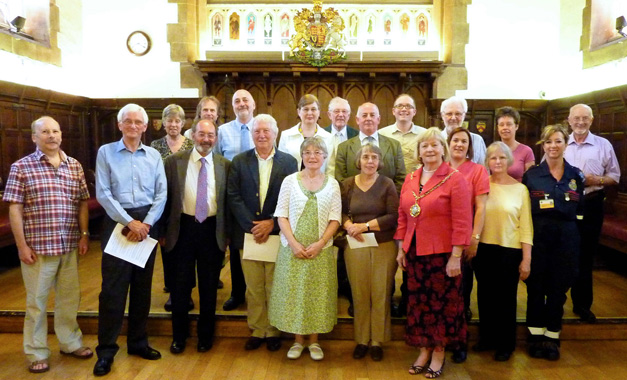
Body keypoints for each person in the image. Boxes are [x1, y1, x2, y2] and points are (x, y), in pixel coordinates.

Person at [3, 116, 93, 374]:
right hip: (37, 248)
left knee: (68, 299)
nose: (51, 136)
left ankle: (70, 342)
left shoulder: (73, 166)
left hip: (68, 245)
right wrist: (21, 246)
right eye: (45, 132)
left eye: (55, 131)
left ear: (61, 135)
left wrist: (84, 234)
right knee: (36, 303)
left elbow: (82, 203)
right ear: (34, 137)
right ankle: (36, 351)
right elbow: (15, 209)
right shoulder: (22, 167)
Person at [93, 104, 167, 376]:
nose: (133, 125)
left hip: (147, 224)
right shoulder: (106, 153)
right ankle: (107, 350)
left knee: (141, 288)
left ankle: (138, 342)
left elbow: (162, 193)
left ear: (146, 127)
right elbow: (103, 192)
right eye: (128, 121)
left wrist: (146, 223)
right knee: (112, 290)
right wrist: (129, 222)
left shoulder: (154, 156)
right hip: (117, 223)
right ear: (120, 124)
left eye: (138, 122)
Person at [395, 127, 472, 378]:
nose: (429, 149)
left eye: (435, 145)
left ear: (443, 149)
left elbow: (463, 221)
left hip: (442, 254)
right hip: (416, 253)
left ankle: (439, 352)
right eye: (425, 145)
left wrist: (456, 256)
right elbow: (403, 216)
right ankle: (424, 349)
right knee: (419, 304)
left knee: (441, 306)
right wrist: (401, 248)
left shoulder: (454, 178)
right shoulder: (410, 178)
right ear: (419, 151)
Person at [228, 114, 298, 351]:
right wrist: (252, 225)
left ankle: (274, 329)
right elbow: (233, 196)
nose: (261, 135)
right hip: (248, 235)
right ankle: (258, 329)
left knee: (274, 284)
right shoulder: (239, 161)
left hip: (277, 234)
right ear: (251, 134)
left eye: (266, 131)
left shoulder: (289, 163)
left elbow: (291, 199)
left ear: (275, 133)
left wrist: (272, 223)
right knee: (254, 286)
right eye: (257, 131)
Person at [269, 136, 341, 361]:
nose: (312, 156)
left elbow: (335, 219)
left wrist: (320, 244)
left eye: (317, 152)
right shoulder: (290, 181)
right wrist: (293, 244)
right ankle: (298, 340)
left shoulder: (333, 183)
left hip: (320, 250)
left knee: (317, 294)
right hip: (293, 249)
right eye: (308, 152)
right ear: (302, 156)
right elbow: (281, 215)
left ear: (325, 157)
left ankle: (314, 341)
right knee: (295, 293)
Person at [162, 119, 229, 355]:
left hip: (212, 231)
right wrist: (161, 232)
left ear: (216, 138)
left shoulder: (224, 165)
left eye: (211, 135)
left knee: (209, 288)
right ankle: (179, 337)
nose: (206, 139)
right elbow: (164, 198)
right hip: (182, 229)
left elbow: (227, 204)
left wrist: (228, 235)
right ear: (192, 135)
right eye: (202, 134)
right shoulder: (173, 162)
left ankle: (205, 336)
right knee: (180, 288)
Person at [523, 124, 584, 361]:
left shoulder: (575, 175)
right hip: (539, 236)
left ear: (565, 144)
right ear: (543, 145)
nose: (553, 146)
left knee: (559, 289)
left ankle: (552, 336)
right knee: (536, 287)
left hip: (567, 238)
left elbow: (580, 210)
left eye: (558, 141)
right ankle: (535, 336)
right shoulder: (532, 175)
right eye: (548, 142)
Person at [473, 142, 533, 361]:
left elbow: (526, 226)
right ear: (487, 162)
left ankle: (506, 343)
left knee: (506, 299)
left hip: (509, 250)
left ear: (509, 161)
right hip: (484, 249)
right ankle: (486, 338)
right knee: (485, 296)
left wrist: (526, 259)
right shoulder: (481, 185)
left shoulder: (520, 189)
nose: (497, 162)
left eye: (501, 158)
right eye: (492, 158)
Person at [341, 144, 399, 362]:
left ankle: (377, 340)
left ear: (379, 162)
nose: (370, 161)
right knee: (360, 292)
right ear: (359, 160)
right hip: (355, 245)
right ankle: (362, 339)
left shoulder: (387, 184)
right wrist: (348, 226)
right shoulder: (347, 184)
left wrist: (363, 226)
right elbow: (340, 212)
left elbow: (393, 216)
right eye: (366, 156)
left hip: (383, 245)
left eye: (374, 157)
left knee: (380, 292)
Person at [564, 104, 620, 323]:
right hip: (567, 205)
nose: (580, 122)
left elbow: (614, 176)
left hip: (592, 203)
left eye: (585, 118)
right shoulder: (560, 144)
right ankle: (557, 303)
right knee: (564, 254)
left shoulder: (603, 145)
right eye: (576, 118)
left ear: (592, 120)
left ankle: (582, 305)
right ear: (569, 120)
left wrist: (596, 180)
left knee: (586, 256)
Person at [446, 127, 490, 363]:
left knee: (461, 293)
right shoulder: (438, 169)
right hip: (440, 239)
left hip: (465, 240)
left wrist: (475, 237)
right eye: (455, 140)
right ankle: (440, 338)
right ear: (448, 143)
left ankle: (459, 341)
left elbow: (481, 207)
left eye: (464, 141)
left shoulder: (477, 171)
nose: (459, 144)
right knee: (441, 292)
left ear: (469, 146)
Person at [151, 104, 194, 311]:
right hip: (164, 205)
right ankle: (172, 290)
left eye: (177, 121)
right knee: (168, 249)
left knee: (188, 252)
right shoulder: (154, 146)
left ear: (183, 123)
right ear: (163, 123)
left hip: (187, 204)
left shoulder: (192, 145)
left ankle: (188, 292)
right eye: (169, 120)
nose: (173, 124)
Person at [216, 89, 256, 311]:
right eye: (237, 101)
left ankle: (257, 291)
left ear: (254, 104)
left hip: (257, 196)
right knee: (236, 246)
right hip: (231, 197)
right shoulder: (222, 131)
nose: (241, 104)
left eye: (245, 100)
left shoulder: (262, 127)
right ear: (232, 107)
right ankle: (237, 292)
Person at [335, 102, 406, 193]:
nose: (368, 118)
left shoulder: (394, 146)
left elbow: (400, 178)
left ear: (378, 119)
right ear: (357, 120)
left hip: (387, 202)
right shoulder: (344, 148)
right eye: (364, 115)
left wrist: (389, 198)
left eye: (372, 115)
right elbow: (340, 180)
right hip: (354, 203)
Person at [278, 94, 334, 174]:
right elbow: (281, 166)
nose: (309, 113)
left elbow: (330, 170)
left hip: (320, 183)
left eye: (313, 109)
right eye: (306, 109)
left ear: (319, 112)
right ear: (298, 112)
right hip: (292, 183)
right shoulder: (286, 135)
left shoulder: (328, 138)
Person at [379, 94, 426, 173]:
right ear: (393, 111)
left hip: (417, 181)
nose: (404, 109)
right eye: (399, 106)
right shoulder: (381, 134)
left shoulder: (425, 134)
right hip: (390, 182)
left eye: (408, 106)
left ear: (414, 112)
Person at [440, 96, 487, 165]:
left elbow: (484, 171)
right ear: (442, 115)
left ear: (464, 116)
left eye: (458, 114)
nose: (453, 118)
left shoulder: (477, 140)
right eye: (449, 114)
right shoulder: (436, 139)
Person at [495, 106, 535, 182]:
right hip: (495, 192)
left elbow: (531, 181)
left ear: (516, 126)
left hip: (519, 192)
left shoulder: (526, 151)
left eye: (509, 124)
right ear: (498, 127)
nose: (505, 128)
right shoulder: (491, 151)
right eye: (501, 125)